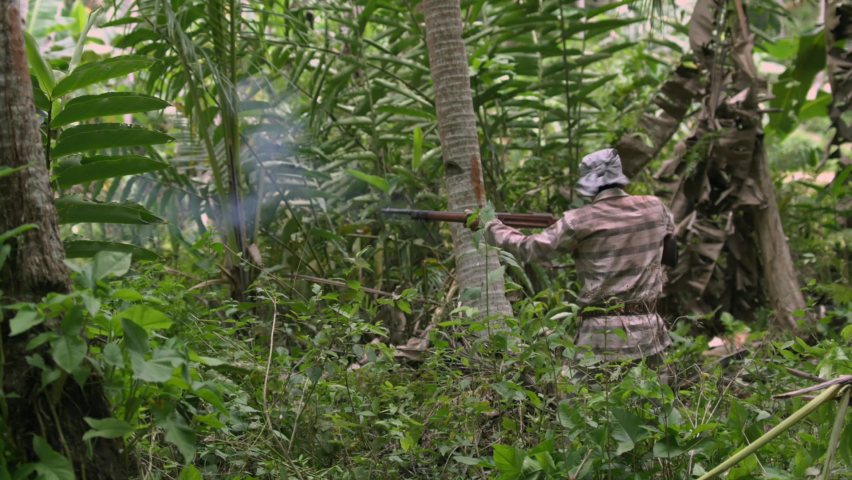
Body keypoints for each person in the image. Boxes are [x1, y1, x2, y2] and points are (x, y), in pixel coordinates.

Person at [475, 148, 678, 381]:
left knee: (584, 401)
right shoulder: (655, 207)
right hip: (649, 331)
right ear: (620, 179)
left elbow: (529, 249)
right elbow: (669, 248)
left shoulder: (578, 220)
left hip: (601, 335)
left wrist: (490, 226)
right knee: (653, 400)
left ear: (588, 185)